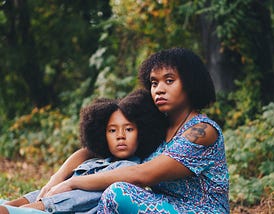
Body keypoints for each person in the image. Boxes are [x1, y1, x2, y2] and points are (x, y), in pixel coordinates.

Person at [2, 47, 230, 213]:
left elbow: (143, 175)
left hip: (201, 211)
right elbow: (91, 150)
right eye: (153, 83)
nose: (159, 89)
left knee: (117, 191)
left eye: (169, 81)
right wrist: (56, 179)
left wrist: (73, 183)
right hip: (162, 204)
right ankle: (21, 207)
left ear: (190, 84)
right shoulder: (160, 124)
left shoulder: (201, 131)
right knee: (101, 176)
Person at [0, 89, 167, 214]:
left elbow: (79, 198)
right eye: (112, 131)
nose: (120, 136)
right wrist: (52, 185)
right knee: (48, 191)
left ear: (142, 133)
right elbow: (54, 189)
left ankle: (21, 210)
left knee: (92, 192)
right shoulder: (95, 162)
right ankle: (11, 206)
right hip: (47, 203)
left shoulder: (129, 170)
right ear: (102, 135)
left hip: (61, 209)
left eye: (129, 129)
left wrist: (39, 205)